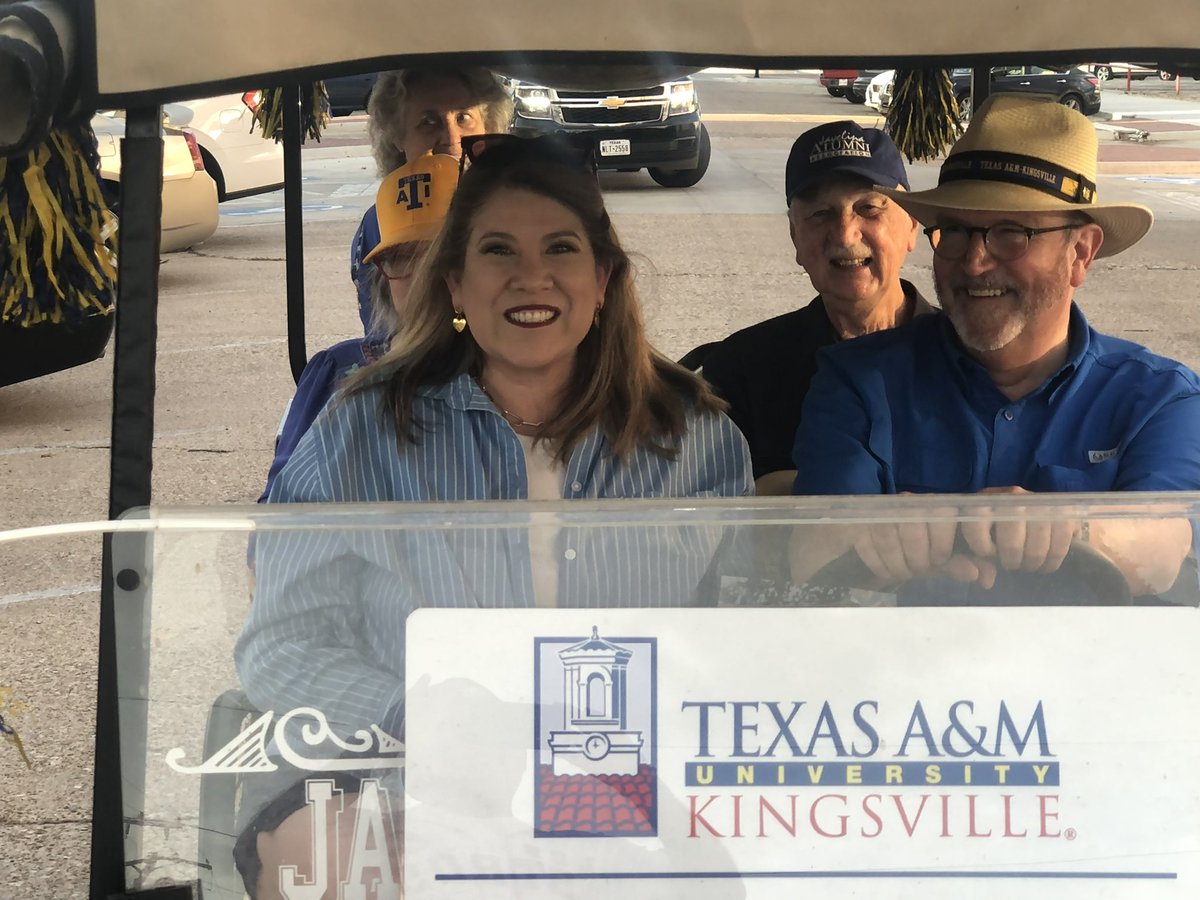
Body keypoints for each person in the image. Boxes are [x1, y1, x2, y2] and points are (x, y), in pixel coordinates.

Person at [233, 134, 751, 898]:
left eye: (561, 249)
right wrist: (415, 717)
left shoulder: (697, 440)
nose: (530, 276)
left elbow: (738, 648)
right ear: (455, 285)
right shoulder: (362, 432)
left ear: (603, 278)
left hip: (623, 785)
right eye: (498, 250)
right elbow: (278, 645)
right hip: (405, 777)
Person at [791, 95, 1200, 597]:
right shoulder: (858, 379)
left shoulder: (1158, 398)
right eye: (957, 232)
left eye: (1011, 233)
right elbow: (809, 551)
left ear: (1081, 253)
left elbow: (1164, 544)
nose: (975, 262)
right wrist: (886, 528)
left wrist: (1070, 525)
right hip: (906, 667)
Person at [700, 120, 933, 494]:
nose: (845, 234)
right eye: (820, 214)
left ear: (911, 227)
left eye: (869, 208)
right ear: (795, 236)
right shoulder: (739, 371)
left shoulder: (968, 358)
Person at [260, 153, 458, 501]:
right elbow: (276, 529)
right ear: (382, 282)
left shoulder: (520, 374)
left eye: (441, 253)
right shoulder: (339, 377)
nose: (426, 276)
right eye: (402, 258)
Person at [349, 68, 512, 341]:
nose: (451, 136)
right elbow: (385, 339)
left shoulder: (519, 207)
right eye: (428, 122)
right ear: (397, 136)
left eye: (464, 118)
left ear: (489, 127)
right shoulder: (378, 224)